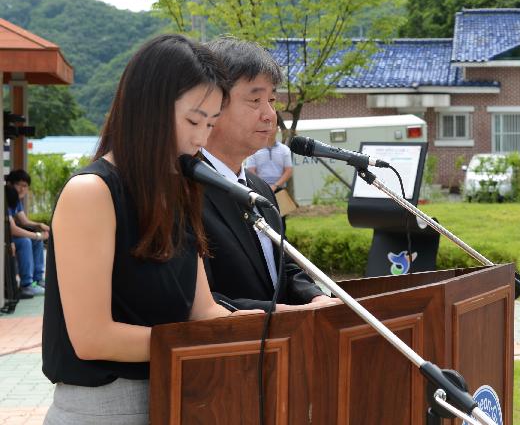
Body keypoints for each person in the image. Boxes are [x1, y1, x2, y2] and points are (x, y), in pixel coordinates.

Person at [42, 34, 258, 424]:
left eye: (210, 124)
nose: (200, 139)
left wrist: (282, 323)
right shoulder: (91, 193)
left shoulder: (177, 192)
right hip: (104, 409)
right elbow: (92, 337)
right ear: (147, 110)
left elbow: (202, 310)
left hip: (177, 394)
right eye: (193, 120)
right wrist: (203, 342)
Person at [200, 37, 335, 312]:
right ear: (211, 104)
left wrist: (314, 296)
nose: (270, 115)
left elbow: (282, 264)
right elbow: (199, 301)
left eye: (272, 100)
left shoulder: (260, 189)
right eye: (255, 100)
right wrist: (279, 313)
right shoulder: (183, 190)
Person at [5, 170, 49, 297]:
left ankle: (37, 279)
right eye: (19, 185)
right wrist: (37, 235)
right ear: (10, 184)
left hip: (9, 237)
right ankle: (26, 285)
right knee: (26, 241)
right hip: (6, 238)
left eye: (25, 186)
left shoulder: (16, 200)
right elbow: (13, 229)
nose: (22, 189)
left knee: (34, 240)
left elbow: (24, 221)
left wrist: (39, 226)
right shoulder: (5, 198)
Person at [246, 126, 294, 231]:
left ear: (277, 130)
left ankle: (282, 246)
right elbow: (250, 171)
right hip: (259, 191)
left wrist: (275, 185)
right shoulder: (254, 149)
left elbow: (289, 170)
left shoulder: (284, 150)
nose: (270, 130)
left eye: (273, 127)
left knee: (281, 223)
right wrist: (264, 186)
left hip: (279, 191)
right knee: (262, 221)